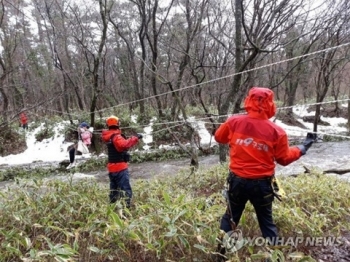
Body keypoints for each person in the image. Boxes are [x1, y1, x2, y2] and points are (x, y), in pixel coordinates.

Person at [214, 87, 316, 259]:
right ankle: (276, 257)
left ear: (248, 101)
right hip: (262, 186)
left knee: (230, 218)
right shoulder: (277, 131)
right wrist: (303, 147)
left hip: (237, 182)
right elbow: (283, 159)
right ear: (270, 104)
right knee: (266, 223)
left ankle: (219, 256)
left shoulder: (234, 122)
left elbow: (219, 137)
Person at [101, 115, 142, 209]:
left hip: (112, 168)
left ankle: (112, 207)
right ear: (118, 124)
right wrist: (135, 138)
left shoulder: (108, 136)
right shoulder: (116, 136)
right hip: (120, 168)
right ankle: (127, 208)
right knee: (125, 190)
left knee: (114, 190)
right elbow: (124, 145)